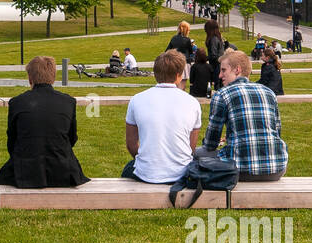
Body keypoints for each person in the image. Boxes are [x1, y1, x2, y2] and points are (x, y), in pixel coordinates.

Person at [0, 56, 88, 188]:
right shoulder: (68, 102)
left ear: (29, 78)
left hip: (25, 170)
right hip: (62, 170)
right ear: (54, 77)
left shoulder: (17, 102)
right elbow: (71, 138)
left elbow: (12, 141)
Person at [200, 50, 287, 181]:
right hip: (277, 168)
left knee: (197, 154)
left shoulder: (222, 94)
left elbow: (210, 143)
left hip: (240, 169)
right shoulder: (269, 92)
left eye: (223, 70)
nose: (219, 75)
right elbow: (277, 132)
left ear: (237, 70)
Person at [122, 50, 203, 184]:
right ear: (178, 75)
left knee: (129, 168)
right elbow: (191, 147)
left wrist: (147, 162)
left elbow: (131, 144)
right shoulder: (192, 102)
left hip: (146, 172)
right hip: (181, 172)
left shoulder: (137, 100)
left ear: (155, 74)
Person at [205, 20, 225, 90]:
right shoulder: (218, 38)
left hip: (216, 66)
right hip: (219, 64)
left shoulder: (213, 39)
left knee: (218, 86)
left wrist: (204, 58)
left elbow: (213, 55)